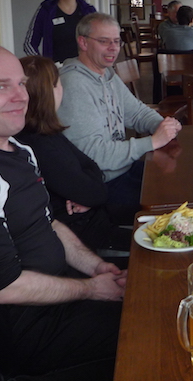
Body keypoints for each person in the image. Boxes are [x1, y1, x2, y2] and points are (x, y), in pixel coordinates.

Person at [0, 43, 125, 378]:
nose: (20, 97)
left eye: (21, 84)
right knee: (156, 325)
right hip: (32, 330)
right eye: (1, 87)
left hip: (67, 289)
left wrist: (97, 267)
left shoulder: (19, 148)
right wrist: (92, 289)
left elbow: (49, 223)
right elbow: (6, 288)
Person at [57, 13, 181, 210]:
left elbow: (137, 112)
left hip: (123, 168)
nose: (113, 48)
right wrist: (152, 142)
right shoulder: (74, 84)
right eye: (104, 41)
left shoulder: (107, 74)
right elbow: (94, 155)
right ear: (83, 42)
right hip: (102, 183)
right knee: (174, 200)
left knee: (183, 179)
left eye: (116, 41)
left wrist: (162, 126)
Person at [15, 56, 116, 252]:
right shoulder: (39, 145)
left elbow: (93, 168)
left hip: (92, 223)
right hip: (85, 243)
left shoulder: (47, 134)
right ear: (50, 91)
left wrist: (86, 194)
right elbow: (97, 192)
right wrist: (88, 194)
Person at [23, 0, 97, 63]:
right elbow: (29, 44)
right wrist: (43, 65)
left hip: (86, 66)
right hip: (57, 67)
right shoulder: (46, 9)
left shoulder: (89, 11)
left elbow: (99, 39)